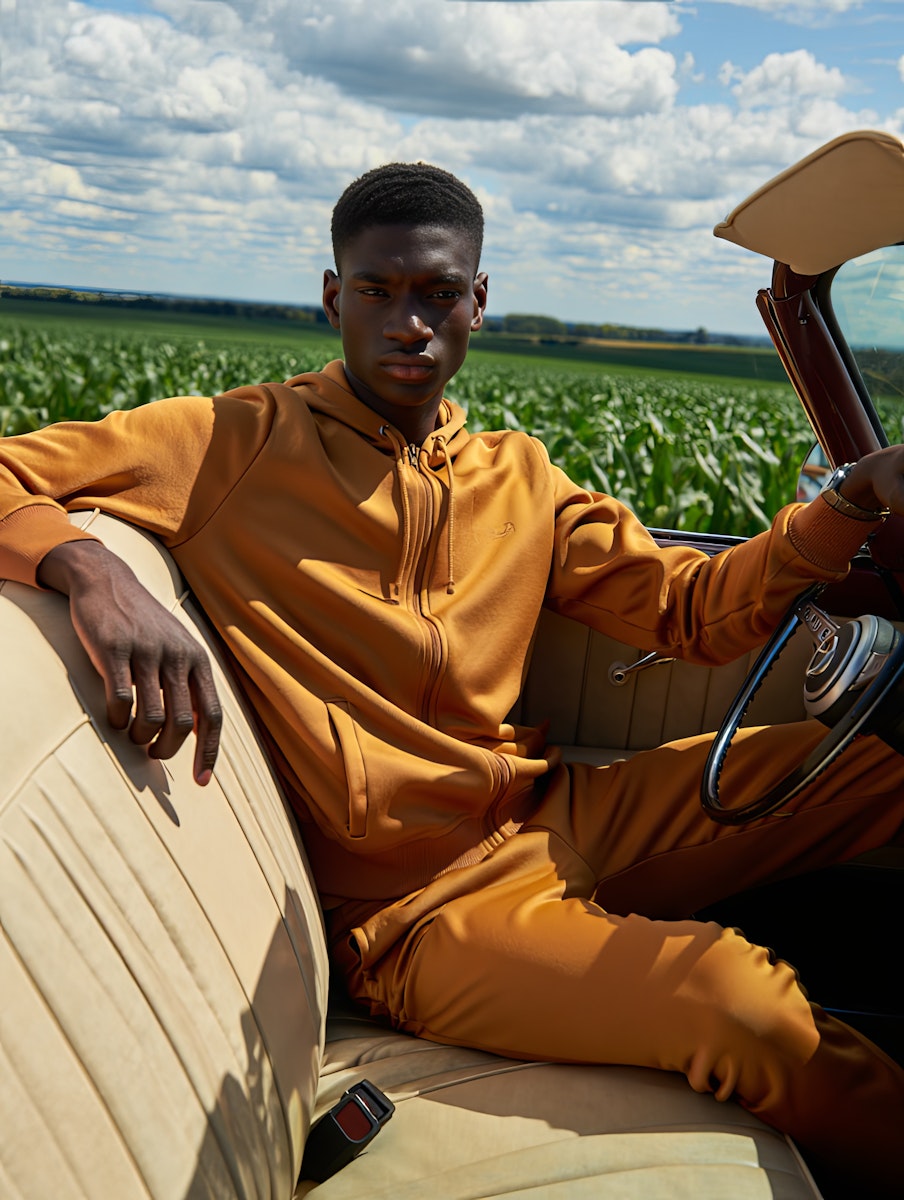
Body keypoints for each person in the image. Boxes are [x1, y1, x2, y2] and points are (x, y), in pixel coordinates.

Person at [1, 162, 903, 1195]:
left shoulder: (517, 474)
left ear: (478, 301)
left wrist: (850, 504)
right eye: (377, 293)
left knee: (866, 764)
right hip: (415, 914)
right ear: (333, 298)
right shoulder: (229, 445)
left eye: (437, 294)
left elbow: (690, 615)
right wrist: (87, 566)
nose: (408, 325)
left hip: (543, 814)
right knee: (738, 1008)